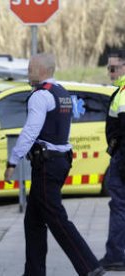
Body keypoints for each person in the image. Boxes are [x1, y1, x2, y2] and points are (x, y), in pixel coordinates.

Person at [3, 53, 105, 276]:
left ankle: (90, 267)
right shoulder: (62, 93)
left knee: (57, 219)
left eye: (30, 69)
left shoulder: (40, 96)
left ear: (41, 71)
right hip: (59, 161)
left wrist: (13, 160)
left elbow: (31, 131)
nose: (28, 73)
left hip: (48, 165)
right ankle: (33, 272)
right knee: (33, 221)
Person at [99, 49, 125, 271]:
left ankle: (116, 255)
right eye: (108, 67)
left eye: (114, 67)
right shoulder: (120, 91)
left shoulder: (124, 93)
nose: (110, 72)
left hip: (122, 159)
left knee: (119, 206)